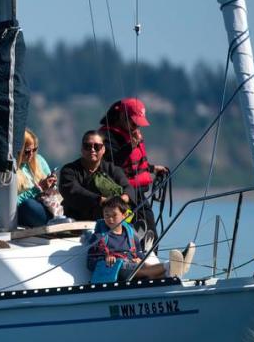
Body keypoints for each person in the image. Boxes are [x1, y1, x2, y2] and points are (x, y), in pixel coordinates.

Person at [99, 97, 168, 232]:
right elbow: (112, 164)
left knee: (149, 227)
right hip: (122, 193)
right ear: (122, 116)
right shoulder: (106, 135)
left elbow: (134, 164)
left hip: (139, 192)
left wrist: (153, 169)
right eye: (134, 122)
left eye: (139, 123)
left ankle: (151, 252)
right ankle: (136, 251)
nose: (137, 126)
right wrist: (130, 146)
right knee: (136, 228)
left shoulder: (131, 133)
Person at [87, 197, 193, 282]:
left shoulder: (130, 233)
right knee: (139, 268)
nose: (110, 219)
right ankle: (171, 265)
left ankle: (175, 269)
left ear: (124, 215)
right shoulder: (99, 237)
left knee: (147, 268)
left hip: (133, 266)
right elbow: (90, 262)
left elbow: (138, 252)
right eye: (107, 215)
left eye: (114, 215)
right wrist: (105, 258)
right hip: (116, 269)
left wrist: (139, 258)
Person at [59, 130, 133, 221]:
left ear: (103, 150)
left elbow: (127, 187)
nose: (92, 150)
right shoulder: (68, 170)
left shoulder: (112, 169)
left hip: (109, 220)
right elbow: (72, 190)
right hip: (76, 220)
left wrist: (124, 197)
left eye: (97, 146)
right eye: (87, 146)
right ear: (82, 149)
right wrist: (99, 200)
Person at [16, 129, 58, 227]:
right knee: (28, 205)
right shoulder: (9, 170)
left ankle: (57, 221)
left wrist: (51, 185)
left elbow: (53, 193)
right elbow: (9, 205)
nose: (31, 154)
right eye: (27, 151)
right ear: (18, 150)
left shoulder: (39, 160)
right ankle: (55, 222)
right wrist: (36, 190)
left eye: (34, 150)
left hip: (47, 206)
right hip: (25, 212)